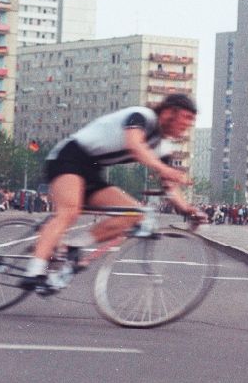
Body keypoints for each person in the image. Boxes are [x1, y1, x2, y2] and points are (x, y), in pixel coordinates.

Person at [23, 93, 204, 290]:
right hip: (68, 157)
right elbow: (134, 146)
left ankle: (74, 245)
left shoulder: (163, 147)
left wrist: (188, 209)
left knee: (134, 213)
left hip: (92, 169)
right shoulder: (141, 116)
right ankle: (34, 270)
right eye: (186, 118)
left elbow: (170, 187)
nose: (188, 125)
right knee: (70, 211)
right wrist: (165, 169)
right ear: (169, 112)